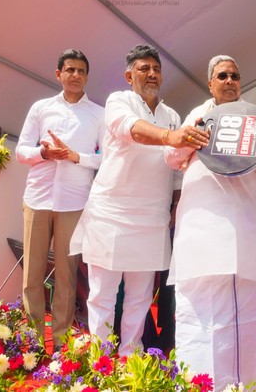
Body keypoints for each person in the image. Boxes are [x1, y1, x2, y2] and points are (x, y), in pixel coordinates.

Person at [70, 44, 197, 355]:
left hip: (152, 217)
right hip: (111, 213)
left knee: (140, 298)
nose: (152, 74)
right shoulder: (118, 101)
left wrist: (177, 202)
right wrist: (170, 137)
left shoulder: (171, 115)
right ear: (129, 75)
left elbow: (176, 166)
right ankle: (100, 362)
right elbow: (131, 131)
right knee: (102, 295)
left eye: (156, 69)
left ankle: (130, 359)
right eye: (144, 68)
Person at [165, 55, 256, 392]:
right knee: (196, 318)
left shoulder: (254, 119)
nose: (229, 81)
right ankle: (198, 386)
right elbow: (170, 158)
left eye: (235, 75)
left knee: (244, 318)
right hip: (200, 232)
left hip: (240, 232)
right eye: (222, 76)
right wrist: (188, 137)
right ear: (210, 83)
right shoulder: (197, 116)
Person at [15, 49, 104, 349]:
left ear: (87, 76)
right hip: (37, 199)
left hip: (74, 202)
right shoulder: (41, 108)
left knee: (67, 276)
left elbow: (105, 157)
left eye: (81, 70)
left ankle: (64, 345)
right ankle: (36, 343)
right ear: (58, 74)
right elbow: (21, 151)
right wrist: (44, 153)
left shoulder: (98, 114)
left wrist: (75, 156)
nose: (75, 75)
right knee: (33, 274)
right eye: (69, 70)